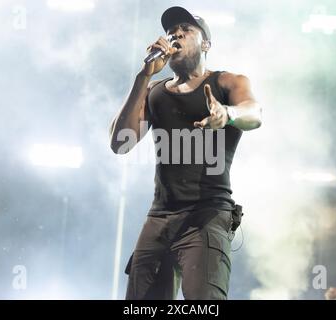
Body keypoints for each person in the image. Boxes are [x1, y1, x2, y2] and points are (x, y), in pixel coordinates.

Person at [110, 6, 261, 300]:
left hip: (207, 216)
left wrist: (227, 114)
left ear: (206, 44)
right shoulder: (154, 90)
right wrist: (143, 76)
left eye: (186, 29)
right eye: (171, 31)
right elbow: (121, 143)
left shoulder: (226, 82)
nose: (175, 34)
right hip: (159, 217)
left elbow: (254, 114)